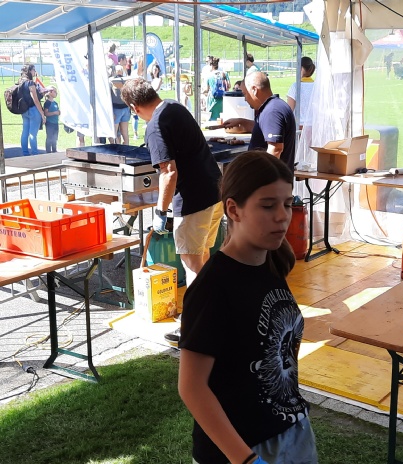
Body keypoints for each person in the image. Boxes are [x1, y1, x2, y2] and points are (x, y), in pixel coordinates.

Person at [178, 150, 318, 464]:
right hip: (242, 449)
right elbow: (191, 387)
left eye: (287, 203)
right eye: (268, 205)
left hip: (291, 431)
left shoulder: (272, 262)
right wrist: (244, 459)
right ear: (234, 209)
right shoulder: (212, 287)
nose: (283, 216)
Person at [121, 78, 224, 345]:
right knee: (200, 257)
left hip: (194, 201)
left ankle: (198, 326)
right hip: (215, 193)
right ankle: (211, 318)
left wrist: (160, 211)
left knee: (192, 264)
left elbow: (168, 171)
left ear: (133, 108)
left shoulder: (155, 126)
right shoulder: (174, 107)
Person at [222, 72, 296, 171]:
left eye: (245, 94)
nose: (245, 99)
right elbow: (264, 129)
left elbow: (275, 149)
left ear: (254, 90)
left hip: (270, 183)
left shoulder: (272, 111)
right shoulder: (275, 106)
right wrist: (241, 122)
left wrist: (260, 177)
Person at [18, 64, 48, 156]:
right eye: (34, 70)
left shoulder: (20, 81)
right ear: (30, 71)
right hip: (33, 110)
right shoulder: (30, 83)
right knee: (33, 134)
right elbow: (35, 99)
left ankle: (25, 153)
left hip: (24, 110)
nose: (35, 72)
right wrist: (42, 114)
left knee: (25, 132)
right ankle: (35, 153)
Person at [287, 56, 316, 131]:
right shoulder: (317, 86)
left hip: (299, 127)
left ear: (301, 68)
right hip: (315, 126)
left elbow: (289, 110)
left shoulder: (295, 86)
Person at [109, 65, 130, 144]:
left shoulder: (112, 81)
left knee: (113, 134)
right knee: (125, 133)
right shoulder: (126, 81)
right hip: (126, 108)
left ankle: (117, 151)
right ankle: (127, 150)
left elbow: (109, 97)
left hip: (116, 109)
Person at [205, 57, 228, 121]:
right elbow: (228, 85)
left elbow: (207, 89)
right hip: (223, 97)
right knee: (221, 117)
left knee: (211, 117)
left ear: (211, 65)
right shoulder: (224, 74)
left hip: (212, 98)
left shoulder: (209, 75)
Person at [43, 86, 60, 153]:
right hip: (50, 123)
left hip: (56, 122)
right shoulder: (47, 103)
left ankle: (54, 149)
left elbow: (57, 111)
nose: (56, 93)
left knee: (55, 137)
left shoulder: (55, 103)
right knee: (49, 137)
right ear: (50, 92)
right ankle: (48, 151)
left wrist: (58, 112)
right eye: (55, 92)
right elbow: (46, 113)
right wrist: (54, 113)